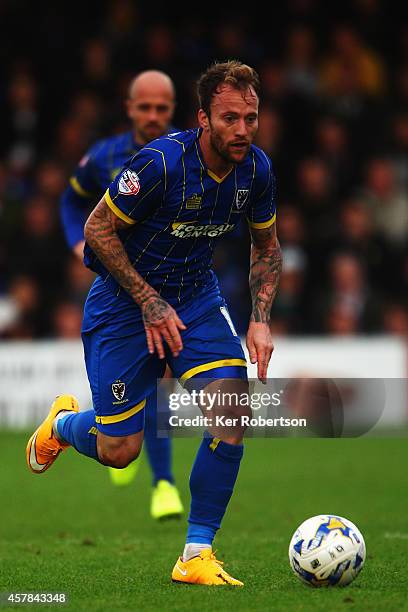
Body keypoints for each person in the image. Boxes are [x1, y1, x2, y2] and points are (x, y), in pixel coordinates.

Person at [27, 61, 282, 586]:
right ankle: (63, 424)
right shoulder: (160, 164)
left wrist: (259, 319)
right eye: (229, 118)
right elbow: (97, 227)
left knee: (231, 409)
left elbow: (266, 247)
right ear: (203, 118)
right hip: (123, 304)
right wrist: (146, 299)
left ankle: (195, 555)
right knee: (120, 451)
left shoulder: (256, 171)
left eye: (250, 118)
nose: (242, 130)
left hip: (194, 298)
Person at [60, 70, 183, 520]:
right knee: (132, 404)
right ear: (129, 108)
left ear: (173, 109)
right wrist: (80, 243)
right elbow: (71, 202)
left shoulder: (184, 156)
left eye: (162, 108)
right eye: (144, 107)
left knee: (162, 379)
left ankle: (164, 483)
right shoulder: (105, 156)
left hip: (169, 288)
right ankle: (108, 430)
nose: (153, 116)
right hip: (118, 288)